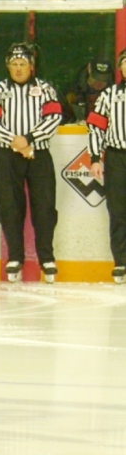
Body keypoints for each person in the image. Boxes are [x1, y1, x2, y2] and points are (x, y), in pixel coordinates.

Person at [0, 43, 62, 283]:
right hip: (8, 156)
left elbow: (54, 117)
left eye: (22, 64)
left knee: (45, 207)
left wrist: (28, 139)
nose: (18, 69)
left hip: (38, 156)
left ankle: (46, 257)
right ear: (8, 67)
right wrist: (16, 142)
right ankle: (15, 257)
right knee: (9, 207)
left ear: (31, 66)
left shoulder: (45, 89)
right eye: (14, 65)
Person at [86, 49, 126, 284]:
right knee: (119, 210)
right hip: (116, 157)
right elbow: (96, 128)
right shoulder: (109, 95)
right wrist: (94, 158)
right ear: (120, 68)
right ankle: (121, 261)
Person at [68, 57, 115, 122]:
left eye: (104, 79)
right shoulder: (74, 93)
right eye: (96, 77)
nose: (99, 82)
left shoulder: (114, 95)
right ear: (89, 69)